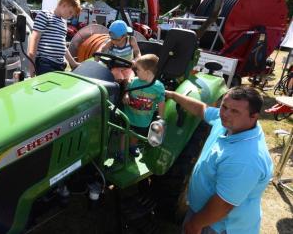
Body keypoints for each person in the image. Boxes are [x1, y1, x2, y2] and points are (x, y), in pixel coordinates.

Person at [166, 86, 272, 234]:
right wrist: (172, 95)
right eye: (224, 107)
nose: (225, 114)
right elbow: (201, 109)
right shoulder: (230, 123)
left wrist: (195, 224)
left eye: (235, 111)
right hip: (203, 213)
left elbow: (224, 205)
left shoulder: (245, 158)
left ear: (254, 116)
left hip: (216, 225)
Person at [116, 54, 165, 161]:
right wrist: (126, 95)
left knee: (136, 135)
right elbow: (126, 90)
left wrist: (161, 118)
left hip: (143, 120)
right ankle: (121, 152)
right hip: (128, 116)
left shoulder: (158, 87)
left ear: (147, 72)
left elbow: (161, 102)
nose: (136, 71)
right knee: (124, 133)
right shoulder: (134, 82)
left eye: (138, 69)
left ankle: (132, 146)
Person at [28, 0, 81, 76]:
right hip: (45, 63)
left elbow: (63, 46)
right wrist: (31, 66)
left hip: (60, 65)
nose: (70, 16)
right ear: (64, 4)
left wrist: (73, 63)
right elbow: (34, 39)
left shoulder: (63, 23)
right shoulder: (45, 15)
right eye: (70, 12)